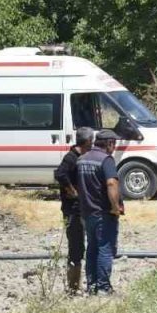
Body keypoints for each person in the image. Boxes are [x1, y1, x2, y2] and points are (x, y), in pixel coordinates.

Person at [78, 130, 124, 295]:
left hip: (87, 212)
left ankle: (92, 286)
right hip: (103, 213)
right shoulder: (106, 160)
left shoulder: (82, 159)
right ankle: (103, 288)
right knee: (105, 249)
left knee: (92, 249)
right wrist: (115, 207)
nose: (114, 147)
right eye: (114, 143)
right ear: (109, 143)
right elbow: (111, 183)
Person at [54, 126, 95, 294]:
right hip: (72, 210)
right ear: (87, 141)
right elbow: (60, 174)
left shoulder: (83, 157)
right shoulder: (71, 158)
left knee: (84, 246)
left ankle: (81, 284)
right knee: (76, 247)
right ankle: (73, 287)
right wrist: (71, 190)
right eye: (92, 141)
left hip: (83, 209)